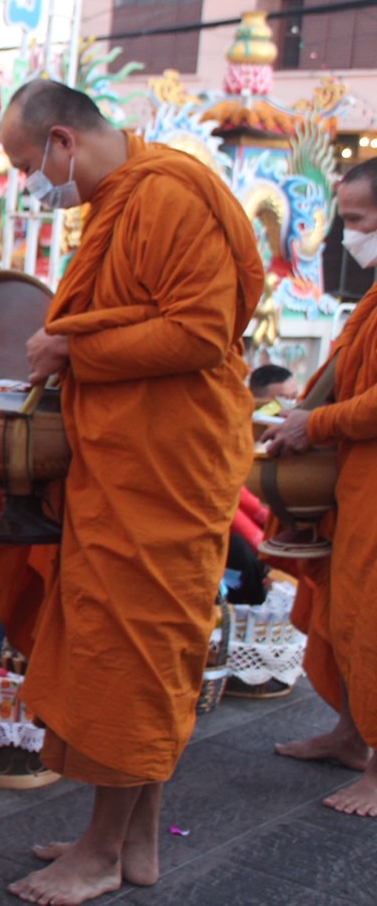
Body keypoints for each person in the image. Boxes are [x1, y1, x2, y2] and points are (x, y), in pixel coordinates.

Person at [0, 79, 263, 904]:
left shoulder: (167, 197)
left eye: (24, 161)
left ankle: (101, 853)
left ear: (64, 143)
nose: (28, 180)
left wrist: (73, 346)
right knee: (134, 652)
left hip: (166, 462)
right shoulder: (124, 200)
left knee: (133, 657)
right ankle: (132, 836)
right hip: (129, 459)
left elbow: (201, 329)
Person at [262, 157, 377, 817]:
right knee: (345, 606)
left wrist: (318, 423)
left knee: (372, 617)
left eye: (357, 220)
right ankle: (350, 734)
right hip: (354, 480)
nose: (346, 235)